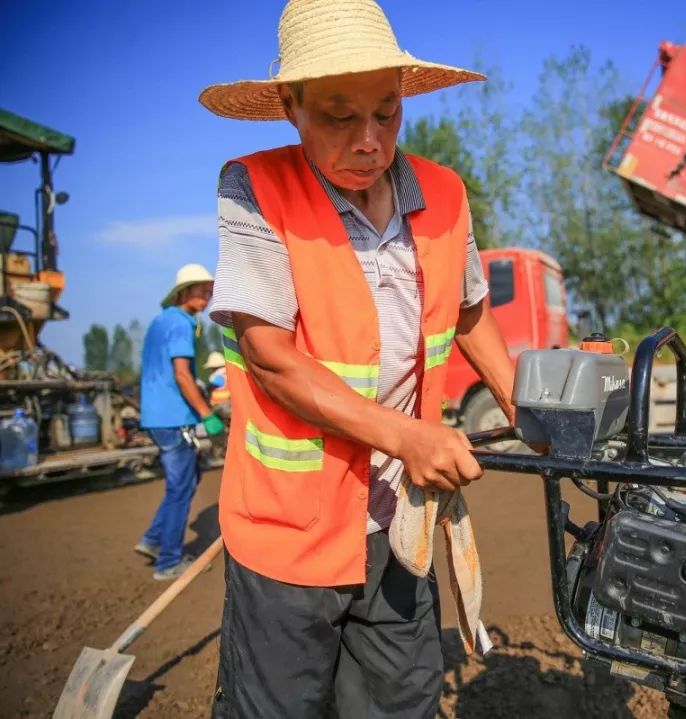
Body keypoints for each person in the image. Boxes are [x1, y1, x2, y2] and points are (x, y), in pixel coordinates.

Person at [199, 1, 518, 716]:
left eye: (387, 111)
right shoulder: (255, 190)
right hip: (291, 533)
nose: (370, 139)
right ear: (291, 105)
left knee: (399, 701)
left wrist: (527, 405)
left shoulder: (443, 193)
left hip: (400, 520)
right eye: (340, 117)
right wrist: (408, 435)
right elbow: (270, 356)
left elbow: (469, 312)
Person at [135, 263, 226, 580]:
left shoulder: (162, 320)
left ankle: (153, 539)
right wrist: (206, 415)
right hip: (175, 417)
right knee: (181, 489)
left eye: (209, 289)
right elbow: (182, 374)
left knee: (187, 479)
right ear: (182, 292)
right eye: (201, 288)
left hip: (158, 415)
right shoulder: (182, 323)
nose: (207, 294)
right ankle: (169, 561)